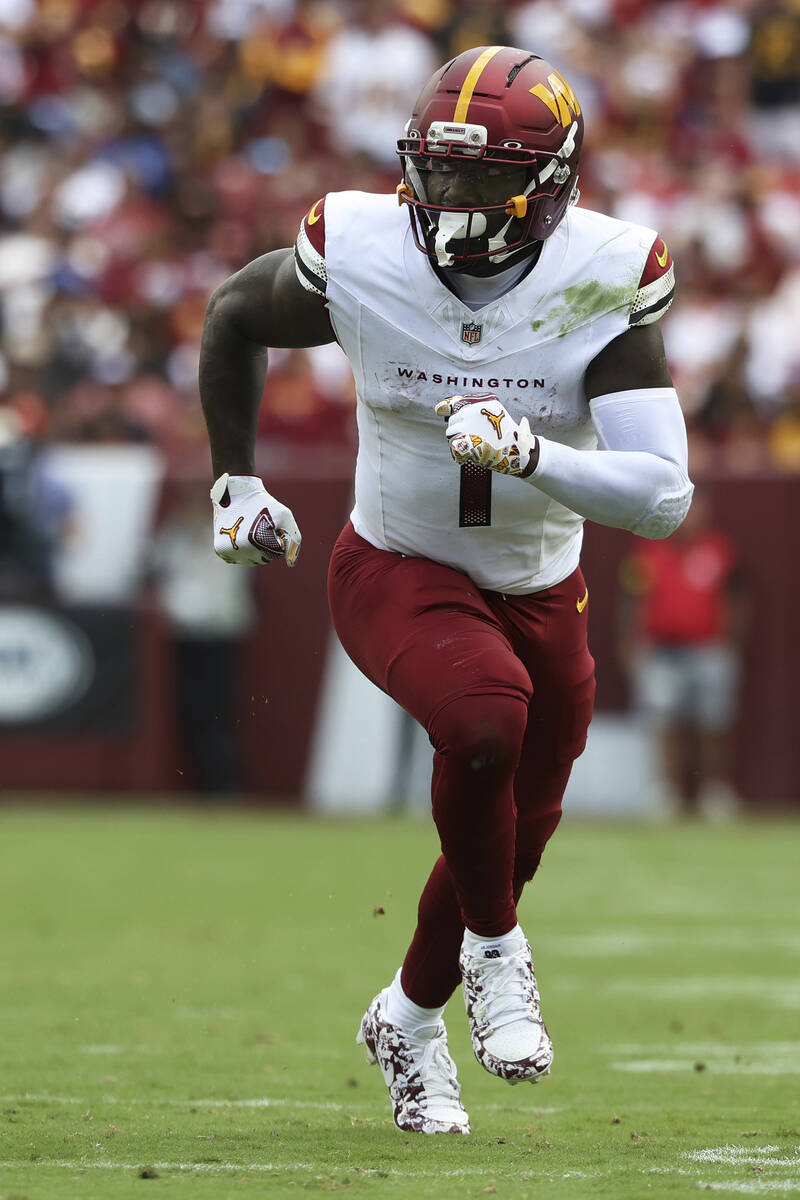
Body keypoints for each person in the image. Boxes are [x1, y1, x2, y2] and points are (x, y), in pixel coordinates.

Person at [199, 45, 693, 1135]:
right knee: (480, 726)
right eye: (436, 172)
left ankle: (409, 1021)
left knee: (514, 828)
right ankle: (497, 956)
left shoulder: (603, 273)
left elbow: (660, 497)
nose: (451, 202)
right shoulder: (364, 247)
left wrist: (529, 455)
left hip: (539, 586)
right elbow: (235, 314)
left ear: (551, 182)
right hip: (395, 561)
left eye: (482, 180)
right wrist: (234, 482)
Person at [618, 487, 746, 819]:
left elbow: (737, 597)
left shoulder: (720, 550)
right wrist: (629, 641)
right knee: (663, 723)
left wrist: (732, 641)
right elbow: (631, 599)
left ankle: (715, 792)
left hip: (709, 648)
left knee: (713, 723)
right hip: (661, 650)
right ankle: (667, 791)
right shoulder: (648, 552)